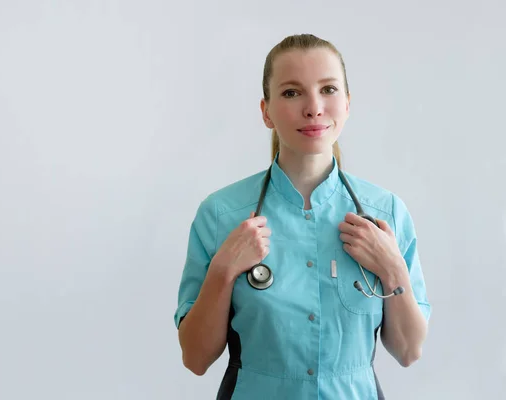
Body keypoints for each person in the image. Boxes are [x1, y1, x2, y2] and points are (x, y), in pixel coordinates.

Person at [173, 33, 431, 399]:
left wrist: (393, 270)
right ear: (266, 111)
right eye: (292, 93)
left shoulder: (385, 213)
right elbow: (196, 358)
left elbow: (408, 351)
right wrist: (222, 271)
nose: (313, 108)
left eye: (328, 89)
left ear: (347, 103)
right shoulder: (220, 214)